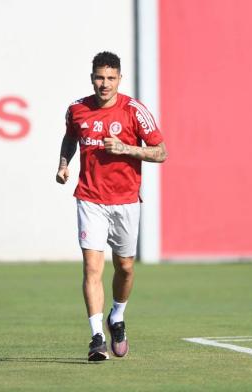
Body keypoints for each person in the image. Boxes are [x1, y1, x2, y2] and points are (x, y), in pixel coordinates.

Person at [56, 51, 167, 361]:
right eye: (99, 77)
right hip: (90, 198)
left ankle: (117, 316)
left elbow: (161, 152)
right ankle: (96, 337)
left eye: (110, 78)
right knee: (92, 268)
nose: (104, 84)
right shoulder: (77, 109)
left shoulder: (134, 111)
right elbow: (69, 138)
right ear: (92, 77)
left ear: (119, 79)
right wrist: (64, 164)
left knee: (126, 268)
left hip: (126, 201)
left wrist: (126, 149)